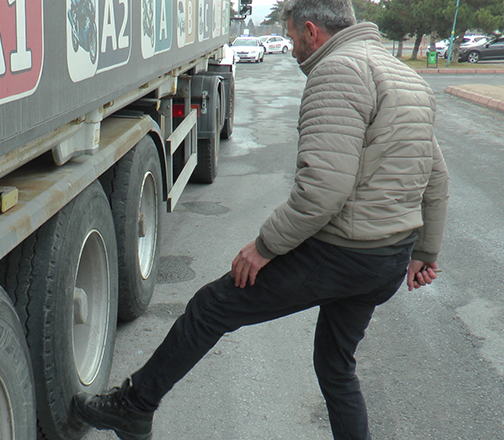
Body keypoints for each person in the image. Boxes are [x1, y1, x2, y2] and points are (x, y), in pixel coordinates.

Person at [72, 0, 450, 439]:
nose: (291, 48)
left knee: (211, 308)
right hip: (387, 259)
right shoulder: (406, 77)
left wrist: (264, 247)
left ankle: (134, 405)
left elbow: (324, 190)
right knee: (336, 367)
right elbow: (436, 177)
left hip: (344, 253)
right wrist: (425, 251)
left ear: (312, 31)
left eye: (291, 38)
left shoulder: (339, 71)